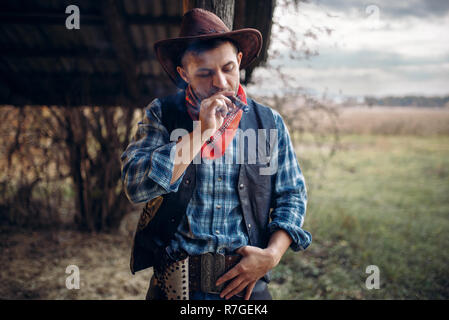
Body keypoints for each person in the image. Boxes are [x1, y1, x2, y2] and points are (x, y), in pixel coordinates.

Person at [120, 8, 311, 300]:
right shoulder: (162, 114)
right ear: (184, 75)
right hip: (173, 290)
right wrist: (201, 133)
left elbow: (292, 196)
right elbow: (136, 186)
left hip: (246, 290)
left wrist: (272, 255)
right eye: (205, 73)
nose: (220, 82)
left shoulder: (269, 123)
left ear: (239, 61)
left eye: (227, 68)